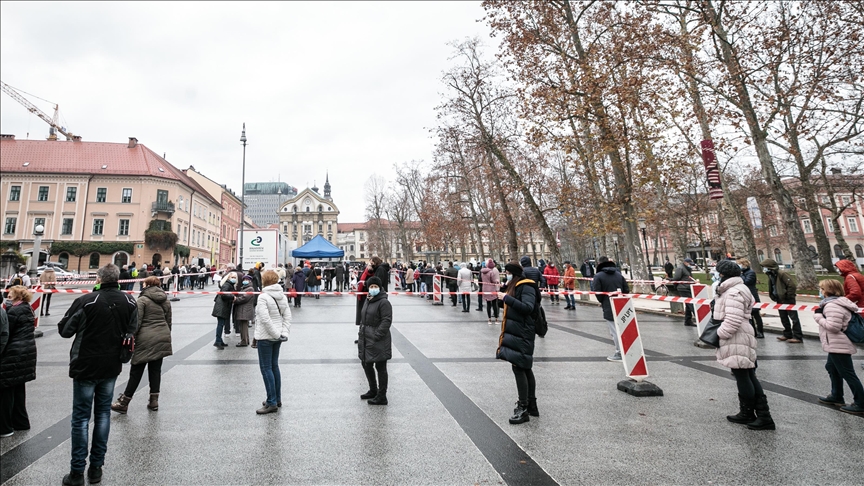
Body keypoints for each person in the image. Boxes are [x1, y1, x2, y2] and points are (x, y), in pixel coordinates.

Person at [58, 264, 137, 485]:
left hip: (86, 364)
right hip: (111, 365)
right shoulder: (130, 301)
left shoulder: (86, 301)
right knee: (103, 415)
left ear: (99, 279)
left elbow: (65, 330)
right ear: (118, 278)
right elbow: (132, 329)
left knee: (81, 418)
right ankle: (96, 469)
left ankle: (76, 473)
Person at [712, 260, 774, 430]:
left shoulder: (734, 292)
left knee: (743, 375)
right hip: (740, 334)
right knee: (747, 373)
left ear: (722, 274)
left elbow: (733, 319)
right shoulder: (737, 288)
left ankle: (760, 416)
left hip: (737, 336)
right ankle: (753, 413)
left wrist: (719, 334)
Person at [111, 276, 172, 414]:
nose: (142, 285)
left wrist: (131, 337)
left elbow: (136, 323)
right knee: (155, 370)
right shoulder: (165, 300)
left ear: (147, 285)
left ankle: (124, 402)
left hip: (145, 338)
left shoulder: (142, 300)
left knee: (136, 370)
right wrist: (166, 336)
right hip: (162, 336)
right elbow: (168, 321)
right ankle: (154, 401)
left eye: (144, 283)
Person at [496, 262, 539, 424]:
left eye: (507, 272)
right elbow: (507, 305)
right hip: (516, 330)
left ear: (513, 273)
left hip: (523, 331)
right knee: (524, 367)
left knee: (520, 367)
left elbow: (527, 307)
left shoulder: (526, 286)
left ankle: (523, 407)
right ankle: (531, 405)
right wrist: (503, 293)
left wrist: (507, 298)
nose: (505, 275)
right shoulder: (514, 285)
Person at [812, 279, 864, 415]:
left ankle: (861, 403)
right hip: (836, 343)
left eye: (822, 289)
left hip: (839, 344)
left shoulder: (831, 306)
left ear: (828, 291)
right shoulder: (837, 303)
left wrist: (818, 316)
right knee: (831, 367)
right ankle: (836, 395)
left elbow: (833, 327)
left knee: (848, 373)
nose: (820, 291)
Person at [0, 286, 36, 438]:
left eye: (10, 295)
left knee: (6, 389)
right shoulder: (28, 309)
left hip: (13, 353)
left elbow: (6, 331)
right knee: (19, 388)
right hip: (26, 352)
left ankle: (5, 427)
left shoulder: (14, 311)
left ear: (18, 297)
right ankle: (21, 422)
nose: (8, 297)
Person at [255, 270, 291, 414]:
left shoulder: (263, 297)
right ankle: (277, 398)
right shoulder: (282, 295)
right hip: (278, 337)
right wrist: (283, 333)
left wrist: (275, 334)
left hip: (266, 337)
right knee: (274, 367)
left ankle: (271, 402)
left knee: (266, 368)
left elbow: (265, 319)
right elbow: (287, 316)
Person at [358, 276, 393, 405]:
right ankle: (373, 390)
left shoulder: (383, 302)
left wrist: (377, 335)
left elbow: (386, 320)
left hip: (378, 340)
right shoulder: (369, 299)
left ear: (380, 287)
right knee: (366, 364)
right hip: (366, 339)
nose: (373, 289)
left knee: (380, 367)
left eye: (375, 287)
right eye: (371, 286)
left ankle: (382, 396)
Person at [591, 258, 630, 361]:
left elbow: (598, 292)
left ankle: (619, 352)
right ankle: (628, 349)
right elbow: (626, 289)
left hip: (608, 304)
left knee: (614, 331)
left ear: (599, 264)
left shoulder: (598, 276)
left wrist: (602, 301)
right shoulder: (618, 275)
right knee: (623, 328)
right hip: (622, 304)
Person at [760, 258, 803, 343]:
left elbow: (791, 285)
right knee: (783, 317)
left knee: (793, 318)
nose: (764, 269)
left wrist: (788, 296)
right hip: (779, 299)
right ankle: (787, 334)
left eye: (765, 267)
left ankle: (798, 336)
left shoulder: (782, 274)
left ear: (770, 267)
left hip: (787, 299)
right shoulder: (771, 275)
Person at [736, 258, 763, 338]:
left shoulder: (750, 273)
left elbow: (746, 282)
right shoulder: (743, 273)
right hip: (745, 295)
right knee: (749, 315)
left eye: (740, 264)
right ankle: (753, 332)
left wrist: (740, 274)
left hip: (752, 295)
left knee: (756, 315)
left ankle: (760, 331)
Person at [211, 271, 237, 349]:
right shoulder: (227, 285)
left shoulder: (229, 284)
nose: (234, 279)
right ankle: (218, 341)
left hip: (223, 306)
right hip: (222, 307)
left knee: (221, 324)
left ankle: (219, 340)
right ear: (228, 277)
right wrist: (232, 297)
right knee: (220, 324)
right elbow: (224, 295)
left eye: (235, 278)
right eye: (232, 277)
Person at [232, 275, 255, 347]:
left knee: (244, 327)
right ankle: (245, 340)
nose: (245, 281)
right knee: (243, 326)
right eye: (244, 279)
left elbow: (244, 298)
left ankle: (244, 341)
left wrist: (236, 299)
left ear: (250, 281)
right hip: (243, 309)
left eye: (246, 280)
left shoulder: (250, 288)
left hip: (245, 310)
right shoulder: (245, 288)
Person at [673, 258, 697, 327]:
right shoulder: (680, 268)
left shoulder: (687, 269)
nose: (690, 265)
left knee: (688, 304)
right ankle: (697, 317)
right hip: (683, 288)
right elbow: (676, 278)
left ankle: (688, 321)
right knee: (690, 304)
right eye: (689, 263)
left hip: (687, 287)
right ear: (685, 262)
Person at [481, 259, 501, 324]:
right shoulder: (491, 272)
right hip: (492, 289)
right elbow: (493, 280)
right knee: (494, 304)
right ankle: (496, 319)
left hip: (485, 288)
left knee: (488, 304)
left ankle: (489, 319)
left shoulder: (482, 272)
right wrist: (497, 281)